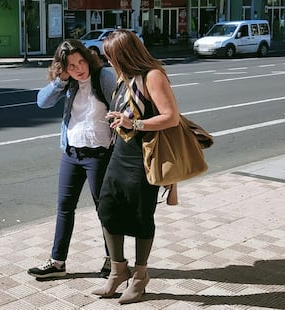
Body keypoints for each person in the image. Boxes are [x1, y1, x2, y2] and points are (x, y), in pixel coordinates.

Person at [91, 29, 180, 304]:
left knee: (141, 217)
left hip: (144, 158)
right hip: (120, 154)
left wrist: (135, 124)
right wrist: (118, 118)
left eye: (111, 56)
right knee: (107, 208)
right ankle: (118, 269)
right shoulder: (124, 78)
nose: (108, 62)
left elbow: (171, 117)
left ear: (124, 54)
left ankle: (140, 277)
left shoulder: (152, 75)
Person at [27, 39, 116, 279]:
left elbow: (123, 104)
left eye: (81, 61)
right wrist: (62, 79)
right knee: (65, 208)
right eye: (72, 65)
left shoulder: (103, 78)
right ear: (64, 67)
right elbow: (41, 102)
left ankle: (113, 260)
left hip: (99, 154)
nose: (79, 68)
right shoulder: (68, 83)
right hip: (72, 153)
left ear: (88, 58)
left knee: (104, 209)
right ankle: (57, 262)